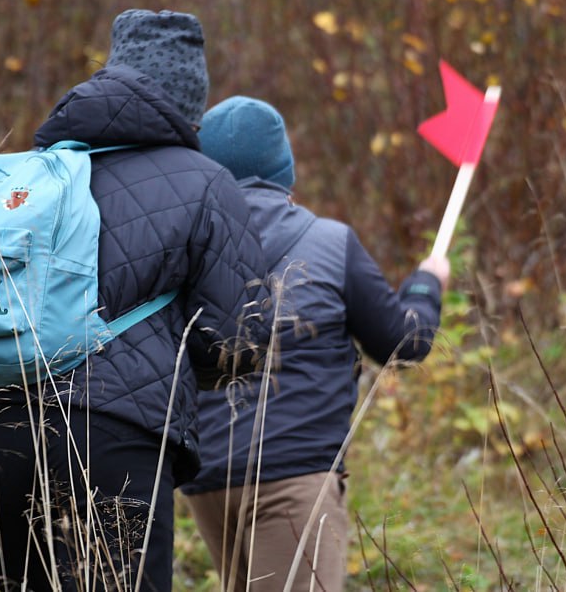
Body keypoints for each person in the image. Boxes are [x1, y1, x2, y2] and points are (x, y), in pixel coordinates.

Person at [0, 10, 268, 592]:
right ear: (189, 104)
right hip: (111, 447)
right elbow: (238, 342)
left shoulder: (15, 186)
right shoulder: (206, 181)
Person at [180, 96, 449, 591]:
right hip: (294, 480)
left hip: (207, 480)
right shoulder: (330, 243)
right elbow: (403, 343)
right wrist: (426, 285)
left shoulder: (184, 248)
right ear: (285, 171)